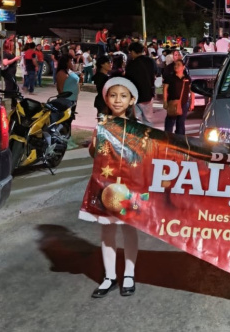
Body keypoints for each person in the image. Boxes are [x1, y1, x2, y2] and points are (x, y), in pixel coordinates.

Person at [80, 77, 140, 298]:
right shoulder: (102, 126)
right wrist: (94, 143)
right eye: (113, 95)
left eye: (123, 96)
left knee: (129, 229)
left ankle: (129, 274)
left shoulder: (138, 130)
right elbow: (94, 154)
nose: (117, 100)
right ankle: (109, 276)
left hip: (129, 187)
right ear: (106, 99)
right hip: (105, 186)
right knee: (107, 230)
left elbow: (143, 157)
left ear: (131, 100)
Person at [124, 42, 157, 127]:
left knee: (136, 120)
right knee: (148, 120)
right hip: (148, 94)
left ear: (133, 51)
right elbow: (155, 75)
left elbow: (128, 80)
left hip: (135, 96)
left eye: (130, 52)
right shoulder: (151, 61)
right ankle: (149, 134)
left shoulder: (131, 64)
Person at [163, 60, 194, 134]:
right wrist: (165, 102)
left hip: (184, 103)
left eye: (178, 65)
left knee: (180, 123)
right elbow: (165, 89)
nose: (176, 66)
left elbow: (192, 91)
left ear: (183, 67)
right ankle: (168, 138)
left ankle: (180, 139)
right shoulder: (170, 77)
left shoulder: (187, 78)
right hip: (172, 103)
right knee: (170, 123)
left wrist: (192, 103)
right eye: (175, 65)